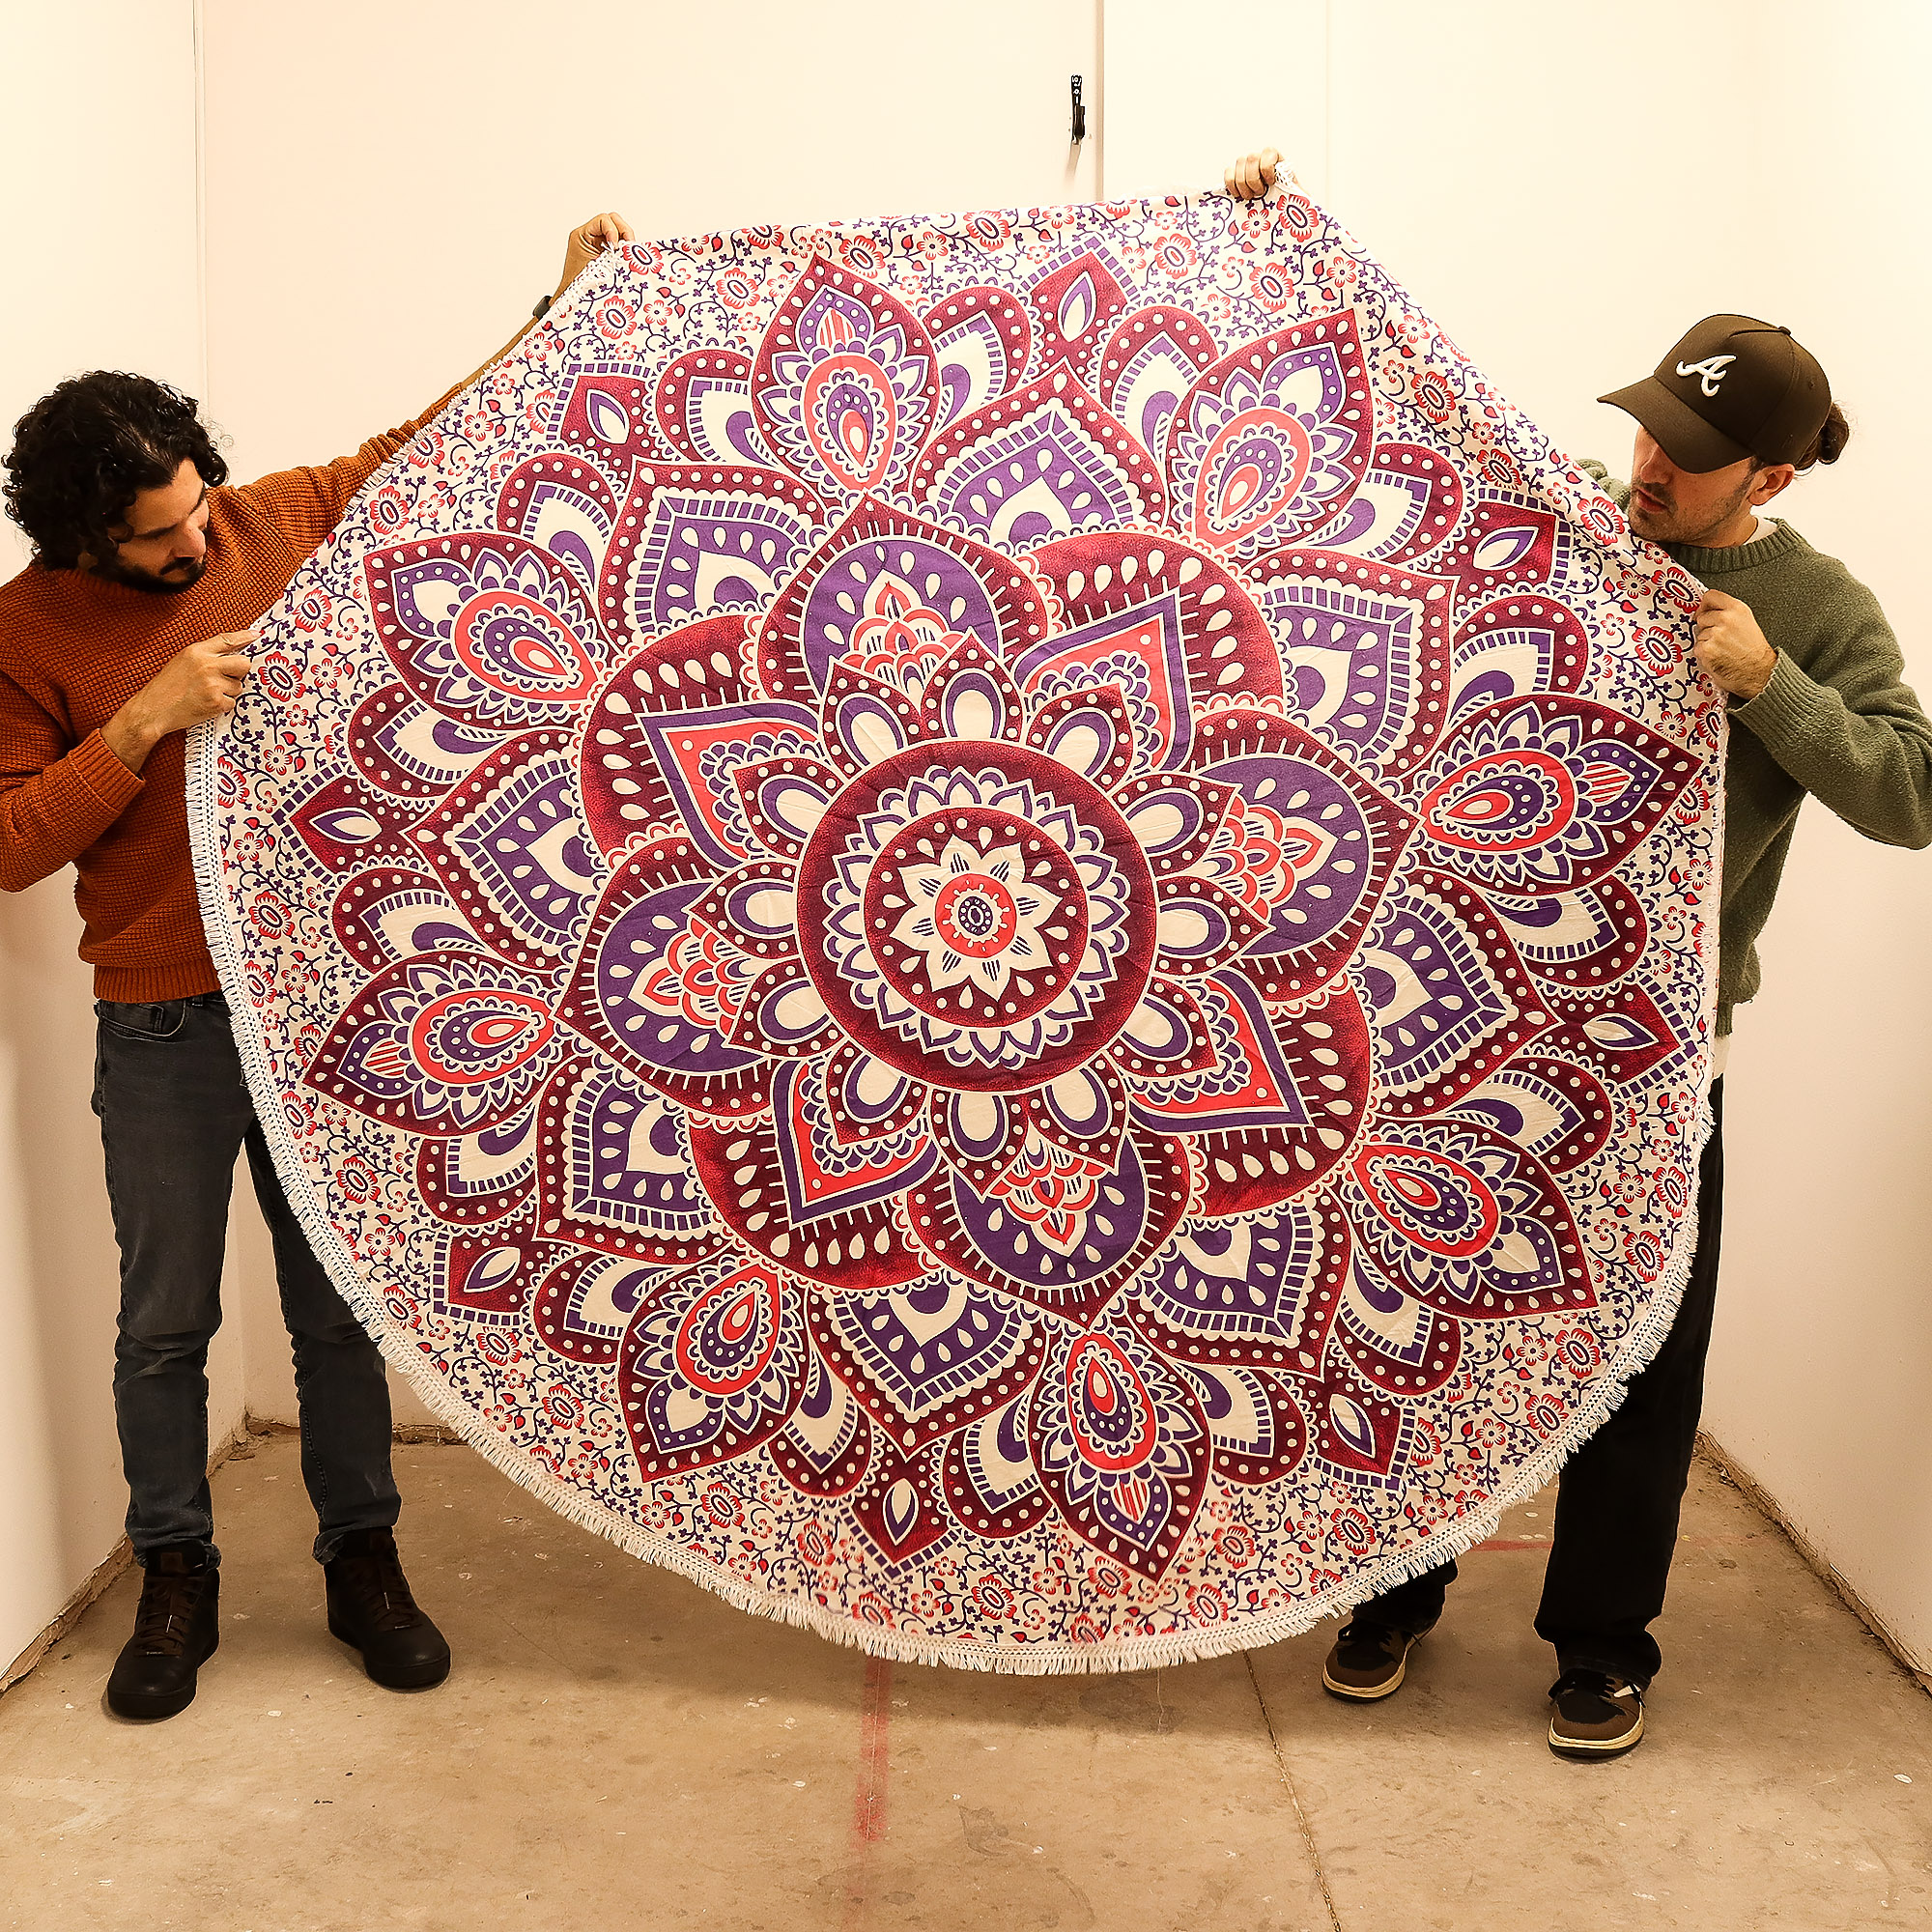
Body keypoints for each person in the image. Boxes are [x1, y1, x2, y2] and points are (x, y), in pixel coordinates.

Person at [1226, 150, 1932, 1756]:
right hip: (1472, 1028)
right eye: (1649, 429)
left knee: (1642, 1360)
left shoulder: (1817, 609)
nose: (1649, 465)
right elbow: (1395, 452)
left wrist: (1772, 687)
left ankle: (1603, 1645)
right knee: (1416, 1320)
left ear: (1773, 475)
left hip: (1658, 1059)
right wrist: (1283, 241)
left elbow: (1912, 793)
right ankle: (1393, 1591)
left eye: (1692, 456)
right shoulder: (1570, 528)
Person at [0, 211, 636, 1721]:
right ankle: (177, 1577)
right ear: (79, 542)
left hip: (321, 1005)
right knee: (165, 1324)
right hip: (160, 1023)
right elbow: (12, 844)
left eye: (195, 507)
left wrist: (554, 308)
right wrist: (142, 720)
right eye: (157, 538)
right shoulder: (24, 634)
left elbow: (429, 446)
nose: (194, 545)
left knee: (339, 1307)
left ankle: (366, 1562)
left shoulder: (266, 522)